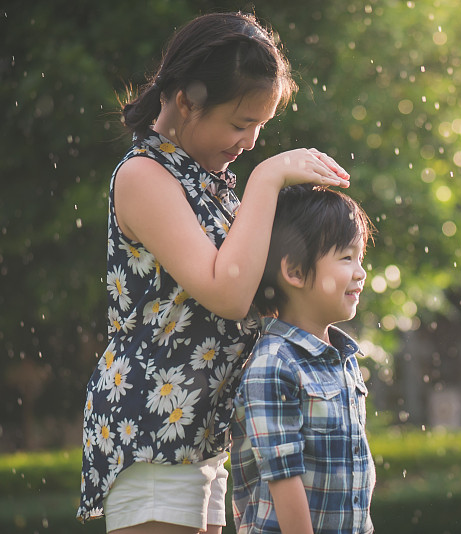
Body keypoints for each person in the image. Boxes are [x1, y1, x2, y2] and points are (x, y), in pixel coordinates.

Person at [77, 12, 351, 534]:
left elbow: (256, 288)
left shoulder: (211, 182)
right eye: (240, 123)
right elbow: (226, 293)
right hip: (153, 429)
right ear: (187, 100)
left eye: (260, 128)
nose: (249, 143)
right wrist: (268, 177)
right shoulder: (144, 175)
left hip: (201, 438)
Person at [231, 185, 376, 534]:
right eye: (346, 258)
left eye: (361, 258)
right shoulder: (274, 364)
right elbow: (285, 481)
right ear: (294, 271)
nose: (360, 272)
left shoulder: (343, 359)